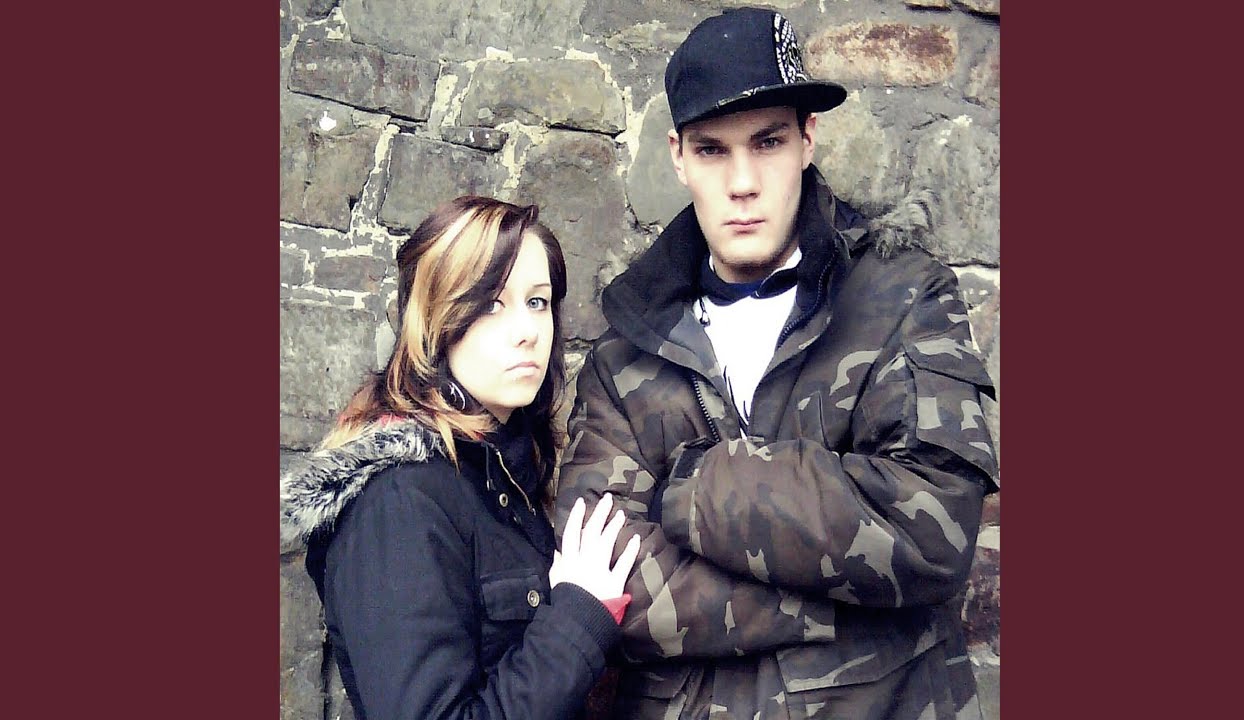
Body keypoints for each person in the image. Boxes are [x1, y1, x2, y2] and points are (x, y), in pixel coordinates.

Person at [555, 7, 1000, 720]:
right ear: (677, 157)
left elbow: (933, 531)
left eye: (767, 142)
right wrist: (828, 602)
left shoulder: (901, 297)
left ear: (807, 139)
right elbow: (608, 589)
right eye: (712, 150)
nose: (742, 182)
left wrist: (697, 488)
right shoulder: (624, 353)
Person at [280, 196, 642, 720]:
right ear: (437, 317)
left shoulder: (501, 474)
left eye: (537, 301)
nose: (528, 330)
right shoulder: (399, 502)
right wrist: (579, 617)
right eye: (492, 304)